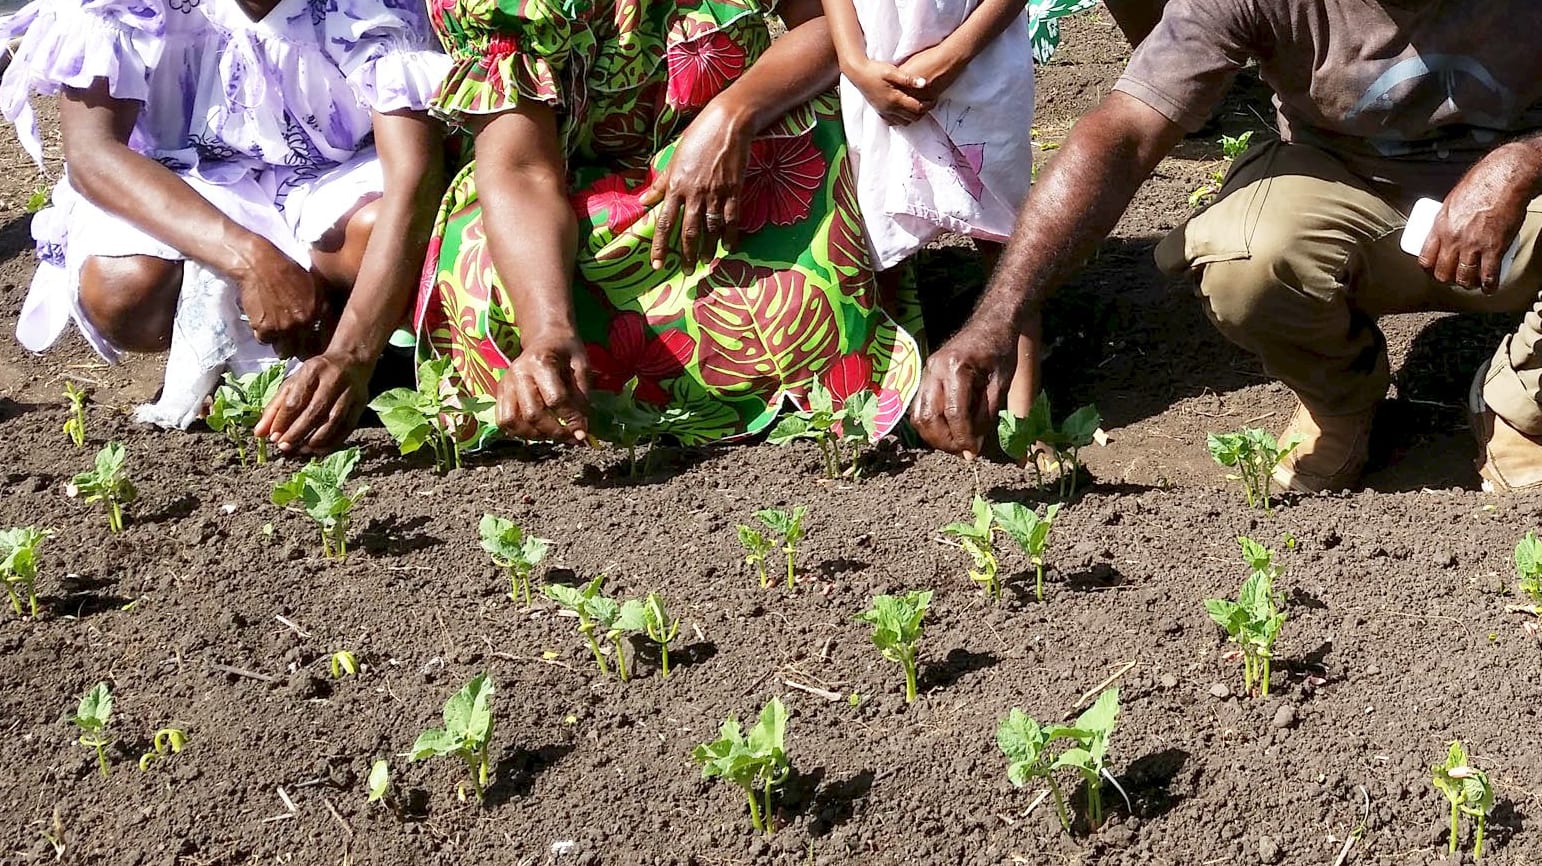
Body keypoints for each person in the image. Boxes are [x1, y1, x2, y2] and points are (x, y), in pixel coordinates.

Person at [909, 0, 1542, 493]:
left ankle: (1522, 403)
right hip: (1347, 187)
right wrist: (997, 318)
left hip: (1526, 214)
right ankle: (1339, 402)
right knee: (1245, 257)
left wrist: (1522, 161)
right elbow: (1125, 134)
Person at [416, 0, 923, 446]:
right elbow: (522, 171)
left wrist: (732, 115)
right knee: (483, 262)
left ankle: (817, 372)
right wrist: (548, 329)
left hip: (733, 185)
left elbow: (827, 26)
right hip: (574, 216)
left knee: (814, 126)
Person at [0, 0, 449, 454]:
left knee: (374, 233)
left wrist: (352, 355)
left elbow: (414, 176)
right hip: (184, 177)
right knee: (125, 288)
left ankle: (351, 350)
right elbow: (93, 155)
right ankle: (237, 361)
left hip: (330, 173)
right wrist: (253, 261)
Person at [823, 0, 1090, 419]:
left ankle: (1025, 422)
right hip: (880, 62)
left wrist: (955, 53)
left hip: (979, 59)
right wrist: (854, 62)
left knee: (1006, 245)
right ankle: (892, 410)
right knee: (882, 250)